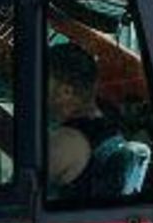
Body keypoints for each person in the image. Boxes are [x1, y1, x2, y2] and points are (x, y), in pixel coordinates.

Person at [46, 41, 123, 199]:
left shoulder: (66, 141)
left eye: (44, 82)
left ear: (66, 92)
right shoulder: (109, 126)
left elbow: (16, 200)